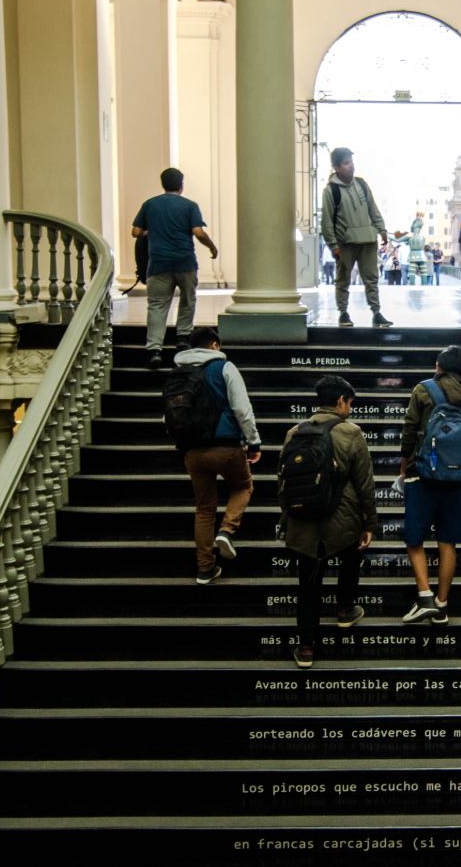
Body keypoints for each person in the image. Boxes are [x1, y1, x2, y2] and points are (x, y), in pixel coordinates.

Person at [280, 376, 378, 669]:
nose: (350, 409)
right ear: (340, 402)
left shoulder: (293, 433)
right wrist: (369, 524)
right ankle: (345, 609)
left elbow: (283, 480)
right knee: (351, 555)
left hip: (303, 520)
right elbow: (365, 485)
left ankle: (306, 647)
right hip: (342, 519)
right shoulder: (352, 433)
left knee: (308, 582)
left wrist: (288, 518)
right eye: (349, 404)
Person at [398, 346, 461, 624]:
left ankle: (424, 595)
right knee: (448, 541)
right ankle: (442, 604)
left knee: (414, 539)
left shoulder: (423, 390)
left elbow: (409, 430)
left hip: (422, 476)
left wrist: (404, 467)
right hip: (457, 480)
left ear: (438, 366)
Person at [172, 326, 261, 584]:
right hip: (226, 446)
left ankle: (205, 569)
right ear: (214, 345)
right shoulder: (225, 368)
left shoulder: (178, 372)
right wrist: (254, 442)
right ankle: (226, 530)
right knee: (243, 487)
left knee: (204, 508)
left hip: (192, 450)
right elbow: (242, 409)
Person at [131, 167, 219, 369]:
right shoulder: (189, 206)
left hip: (158, 264)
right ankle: (182, 339)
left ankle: (154, 350)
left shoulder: (150, 204)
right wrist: (212, 246)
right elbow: (197, 231)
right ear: (181, 184)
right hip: (185, 262)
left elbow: (136, 232)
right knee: (187, 300)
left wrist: (152, 231)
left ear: (163, 184)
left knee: (157, 305)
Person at [320, 147, 393, 328]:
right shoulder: (331, 191)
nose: (351, 167)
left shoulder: (361, 184)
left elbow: (373, 209)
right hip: (346, 243)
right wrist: (333, 245)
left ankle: (376, 313)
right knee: (343, 280)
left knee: (371, 278)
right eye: (346, 163)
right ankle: (343, 313)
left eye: (351, 163)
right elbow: (327, 221)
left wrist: (382, 230)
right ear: (336, 167)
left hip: (368, 240)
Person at [405, 214, 431, 285]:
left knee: (412, 273)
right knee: (423, 272)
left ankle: (413, 287)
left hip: (413, 254)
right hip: (421, 255)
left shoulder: (410, 236)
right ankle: (424, 287)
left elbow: (398, 240)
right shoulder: (422, 236)